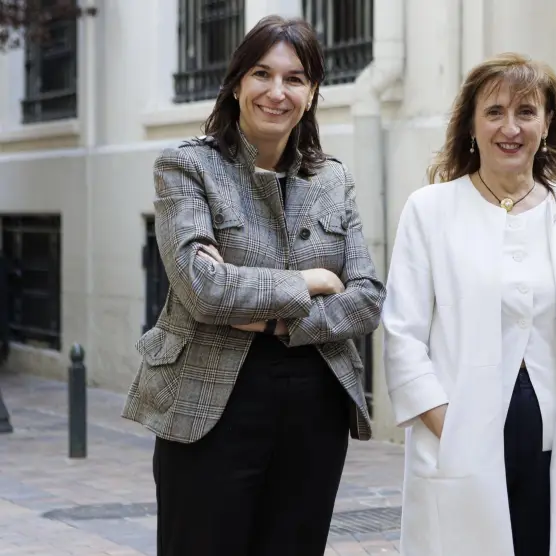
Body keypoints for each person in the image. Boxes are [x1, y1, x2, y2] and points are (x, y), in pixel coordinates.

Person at [121, 15, 385, 556]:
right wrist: (309, 281)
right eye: (262, 74)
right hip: (210, 402)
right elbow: (203, 290)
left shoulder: (332, 179)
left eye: (294, 79)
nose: (276, 91)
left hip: (316, 403)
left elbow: (366, 299)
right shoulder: (187, 167)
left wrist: (270, 317)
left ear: (311, 94)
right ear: (238, 82)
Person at [381, 52, 556, 556]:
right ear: (471, 124)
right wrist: (451, 425)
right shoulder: (431, 210)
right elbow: (403, 334)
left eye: (526, 112)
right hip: (458, 440)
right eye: (494, 112)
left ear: (548, 124)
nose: (510, 128)